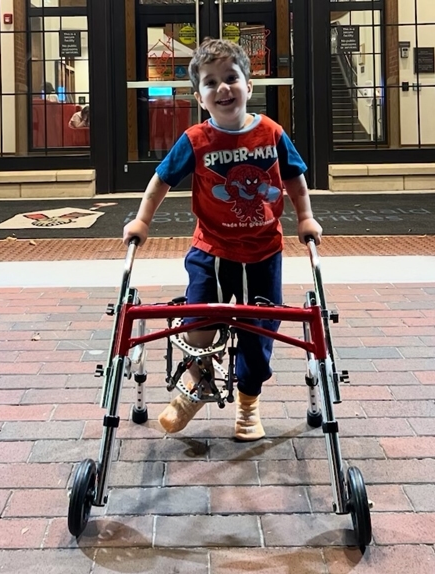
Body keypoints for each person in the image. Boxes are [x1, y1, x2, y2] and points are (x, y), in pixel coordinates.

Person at [123, 38, 322, 442]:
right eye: (211, 83)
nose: (223, 88)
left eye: (231, 77)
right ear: (200, 97)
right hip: (210, 249)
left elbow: (295, 180)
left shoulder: (271, 133)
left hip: (263, 253)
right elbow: (161, 180)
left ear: (249, 85)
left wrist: (306, 217)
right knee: (199, 319)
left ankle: (248, 405)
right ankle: (198, 381)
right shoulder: (196, 140)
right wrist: (142, 221)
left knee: (258, 334)